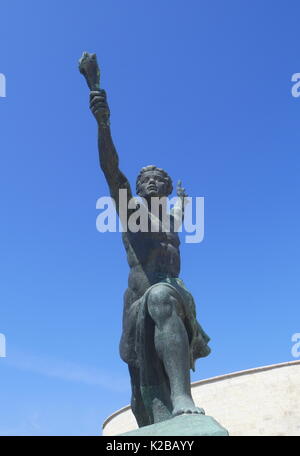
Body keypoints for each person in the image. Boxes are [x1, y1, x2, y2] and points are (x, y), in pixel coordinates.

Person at [89, 89, 210, 427]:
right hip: (137, 302)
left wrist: (183, 204)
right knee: (145, 402)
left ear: (168, 186)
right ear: (139, 189)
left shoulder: (172, 219)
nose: (152, 181)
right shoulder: (132, 213)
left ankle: (184, 397)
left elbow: (179, 214)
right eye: (146, 179)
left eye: (159, 178)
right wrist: (103, 123)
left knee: (161, 295)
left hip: (170, 292)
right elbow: (111, 171)